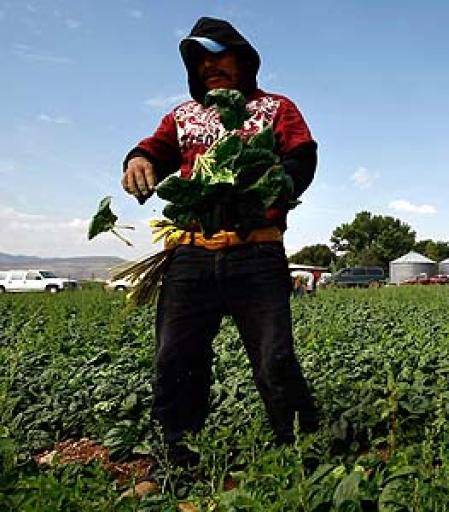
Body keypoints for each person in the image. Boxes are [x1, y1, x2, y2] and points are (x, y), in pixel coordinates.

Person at [121, 17, 319, 467]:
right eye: (199, 59)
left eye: (219, 54)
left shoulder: (275, 108)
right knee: (175, 358)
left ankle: (303, 450)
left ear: (243, 58)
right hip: (190, 253)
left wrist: (280, 181)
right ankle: (178, 454)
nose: (210, 65)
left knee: (274, 359)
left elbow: (301, 154)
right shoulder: (182, 116)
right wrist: (138, 159)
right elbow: (155, 148)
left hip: (257, 251)